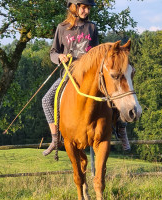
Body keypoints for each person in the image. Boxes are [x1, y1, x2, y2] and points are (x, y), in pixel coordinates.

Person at [42, 0, 130, 156]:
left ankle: (121, 127)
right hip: (69, 75)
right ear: (74, 7)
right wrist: (59, 57)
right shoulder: (61, 28)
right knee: (47, 100)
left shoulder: (92, 27)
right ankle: (55, 138)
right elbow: (53, 52)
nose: (86, 11)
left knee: (116, 91)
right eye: (83, 7)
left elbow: (96, 52)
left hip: (90, 75)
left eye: (88, 8)